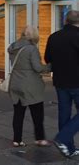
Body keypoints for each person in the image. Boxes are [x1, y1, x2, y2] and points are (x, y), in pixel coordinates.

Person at [7, 26, 51, 148]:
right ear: (34, 36)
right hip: (30, 85)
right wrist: (49, 67)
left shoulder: (13, 46)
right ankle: (40, 139)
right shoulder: (31, 49)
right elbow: (37, 68)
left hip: (16, 83)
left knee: (18, 113)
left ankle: (17, 140)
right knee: (37, 113)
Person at [45, 10, 79, 157]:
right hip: (77, 81)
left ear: (66, 20)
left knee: (64, 113)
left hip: (60, 81)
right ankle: (63, 139)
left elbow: (47, 59)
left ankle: (68, 148)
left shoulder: (54, 37)